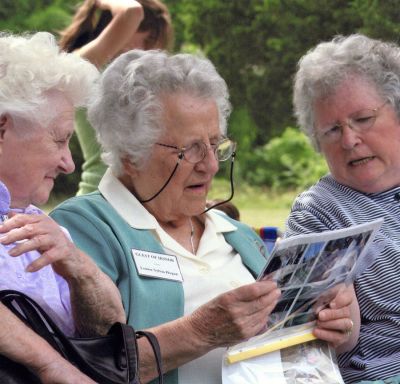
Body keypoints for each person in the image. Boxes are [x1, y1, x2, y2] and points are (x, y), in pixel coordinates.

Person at [51, 49, 358, 384]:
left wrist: (333, 325)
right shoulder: (86, 227)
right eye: (189, 149)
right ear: (130, 156)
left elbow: (300, 345)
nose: (211, 165)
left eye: (215, 145)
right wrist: (200, 332)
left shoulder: (236, 234)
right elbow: (83, 366)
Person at [0, 31, 125, 383]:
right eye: (59, 138)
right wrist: (53, 366)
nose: (69, 164)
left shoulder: (44, 226)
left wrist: (79, 268)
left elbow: (109, 333)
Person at [285, 33, 400, 383]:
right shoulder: (317, 215)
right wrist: (336, 318)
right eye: (332, 130)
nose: (350, 140)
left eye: (363, 119)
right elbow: (320, 339)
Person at [59, 0, 173, 195]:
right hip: (99, 199)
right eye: (147, 34)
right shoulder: (84, 65)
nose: (146, 47)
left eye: (153, 39)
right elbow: (132, 11)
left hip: (139, 202)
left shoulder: (135, 80)